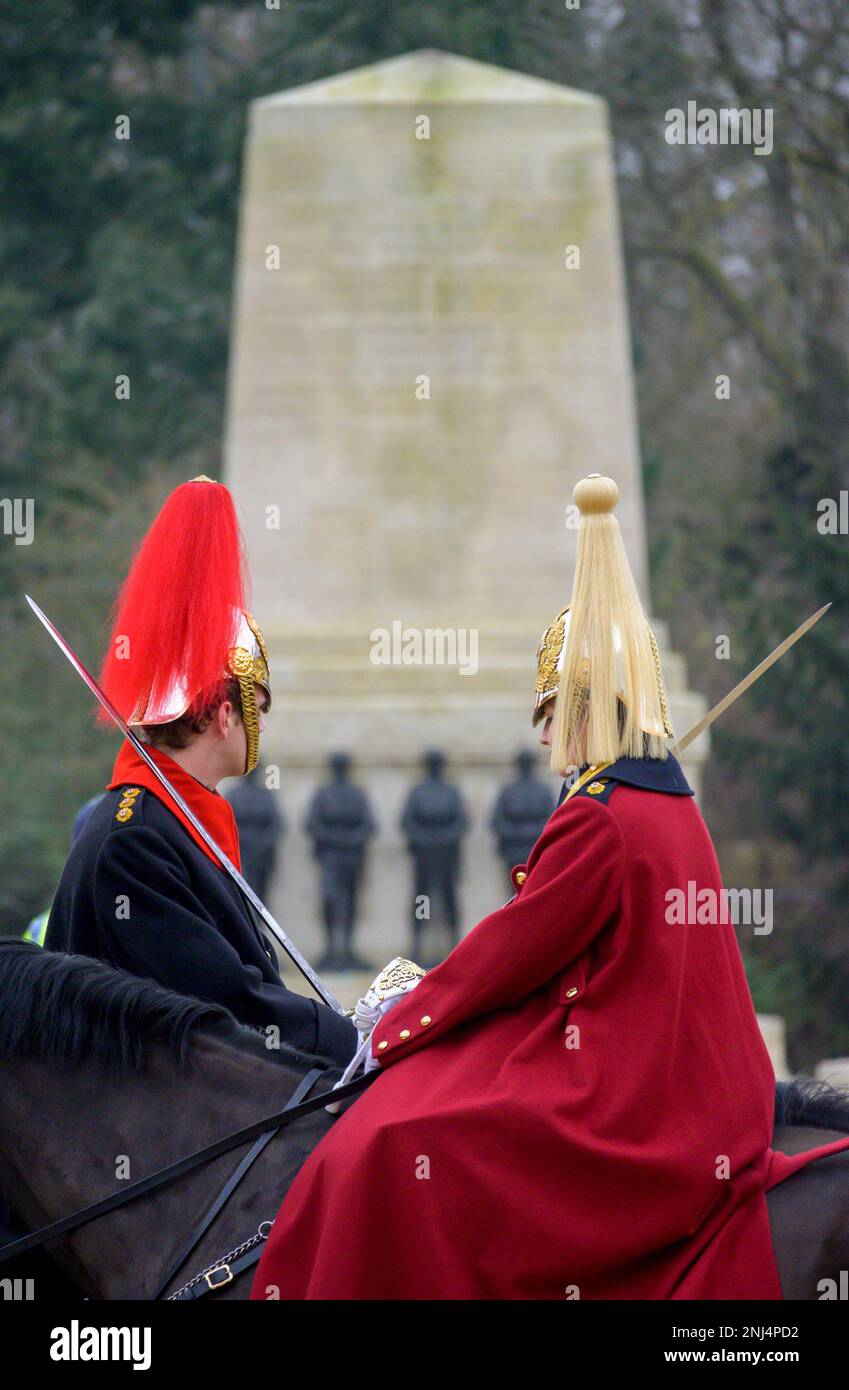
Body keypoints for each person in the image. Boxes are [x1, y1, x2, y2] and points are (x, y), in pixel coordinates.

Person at [252, 472, 844, 1300]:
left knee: (389, 1139)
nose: (544, 738)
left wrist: (396, 1022)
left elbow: (512, 952)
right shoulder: (659, 801)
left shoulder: (602, 814)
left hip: (628, 1096)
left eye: (548, 716)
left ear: (576, 708)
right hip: (688, 1085)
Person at [46, 476, 355, 1067]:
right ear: (221, 715)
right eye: (256, 708)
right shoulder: (136, 839)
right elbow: (226, 1005)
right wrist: (350, 1037)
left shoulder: (177, 820)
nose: (261, 721)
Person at [305, 752, 376, 972]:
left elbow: (369, 825)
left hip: (352, 856)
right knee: (330, 899)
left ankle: (347, 949)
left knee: (351, 901)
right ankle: (330, 948)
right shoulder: (324, 794)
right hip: (330, 856)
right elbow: (312, 824)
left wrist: (351, 840)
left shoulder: (357, 794)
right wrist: (336, 839)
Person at [400, 750, 467, 964]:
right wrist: (425, 839)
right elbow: (407, 822)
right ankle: (419, 946)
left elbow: (462, 822)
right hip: (424, 855)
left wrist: (444, 838)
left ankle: (455, 945)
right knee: (422, 900)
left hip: (446, 854)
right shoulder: (418, 792)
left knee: (449, 900)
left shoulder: (450, 791)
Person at [490, 749, 554, 892]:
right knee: (514, 892)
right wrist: (515, 832)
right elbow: (496, 821)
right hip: (514, 850)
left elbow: (553, 820)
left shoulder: (543, 791)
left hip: (537, 849)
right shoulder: (508, 791)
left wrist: (533, 832)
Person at [226, 765, 285, 902]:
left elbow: (277, 824)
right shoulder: (234, 795)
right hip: (240, 851)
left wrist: (264, 843)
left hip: (262, 853)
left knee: (261, 892)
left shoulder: (266, 795)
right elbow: (223, 822)